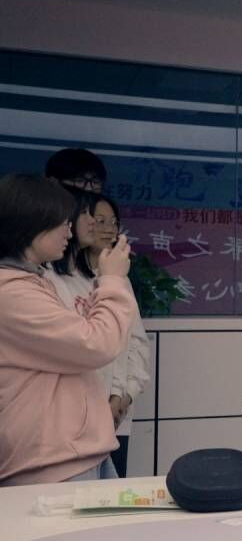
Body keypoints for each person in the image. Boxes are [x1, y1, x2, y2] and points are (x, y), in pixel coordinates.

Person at [0, 173, 136, 486]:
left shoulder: (28, 283)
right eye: (63, 221)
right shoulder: (12, 293)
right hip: (51, 459)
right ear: (31, 224)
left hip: (71, 451)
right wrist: (113, 279)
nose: (70, 230)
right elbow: (96, 344)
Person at [46, 193, 152, 476]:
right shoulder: (46, 279)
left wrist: (122, 395)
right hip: (73, 419)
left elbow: (132, 342)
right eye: (94, 218)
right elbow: (91, 344)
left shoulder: (114, 279)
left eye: (112, 222)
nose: (102, 227)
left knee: (109, 490)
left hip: (112, 411)